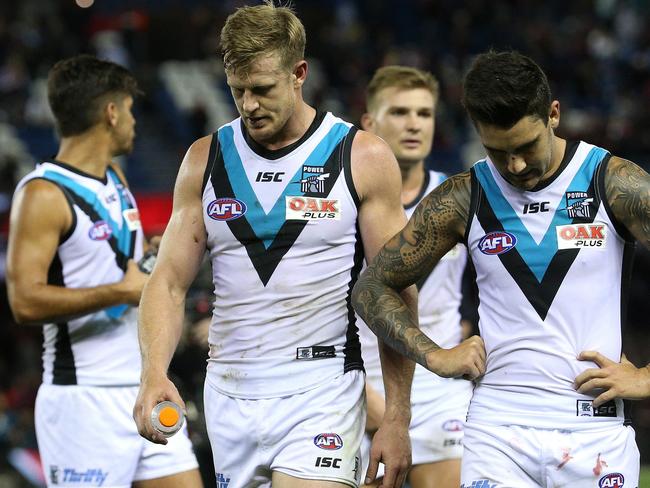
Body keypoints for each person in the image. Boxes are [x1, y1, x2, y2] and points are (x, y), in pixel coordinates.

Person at [132, 3, 415, 488]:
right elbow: (169, 282)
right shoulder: (204, 160)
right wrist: (152, 371)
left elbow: (396, 291)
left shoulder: (361, 156)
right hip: (229, 390)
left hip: (321, 388)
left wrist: (397, 415)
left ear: (299, 73)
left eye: (262, 89)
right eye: (237, 90)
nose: (248, 105)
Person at [352, 49, 650, 487]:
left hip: (595, 430)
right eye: (498, 151)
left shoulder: (612, 183)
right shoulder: (464, 196)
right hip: (497, 432)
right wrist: (435, 354)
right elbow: (372, 287)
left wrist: (647, 378)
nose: (515, 166)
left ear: (553, 114)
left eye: (526, 147)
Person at [6, 55, 202, 488]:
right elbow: (23, 301)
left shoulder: (115, 177)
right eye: (130, 109)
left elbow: (118, 263)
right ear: (112, 113)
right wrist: (121, 291)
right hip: (83, 398)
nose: (134, 121)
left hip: (142, 384)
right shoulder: (43, 193)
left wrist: (148, 255)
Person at [357, 66, 472, 488]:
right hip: (359, 387)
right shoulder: (344, 208)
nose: (413, 124)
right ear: (369, 123)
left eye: (424, 114)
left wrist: (472, 327)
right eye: (400, 111)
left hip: (440, 388)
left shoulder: (460, 199)